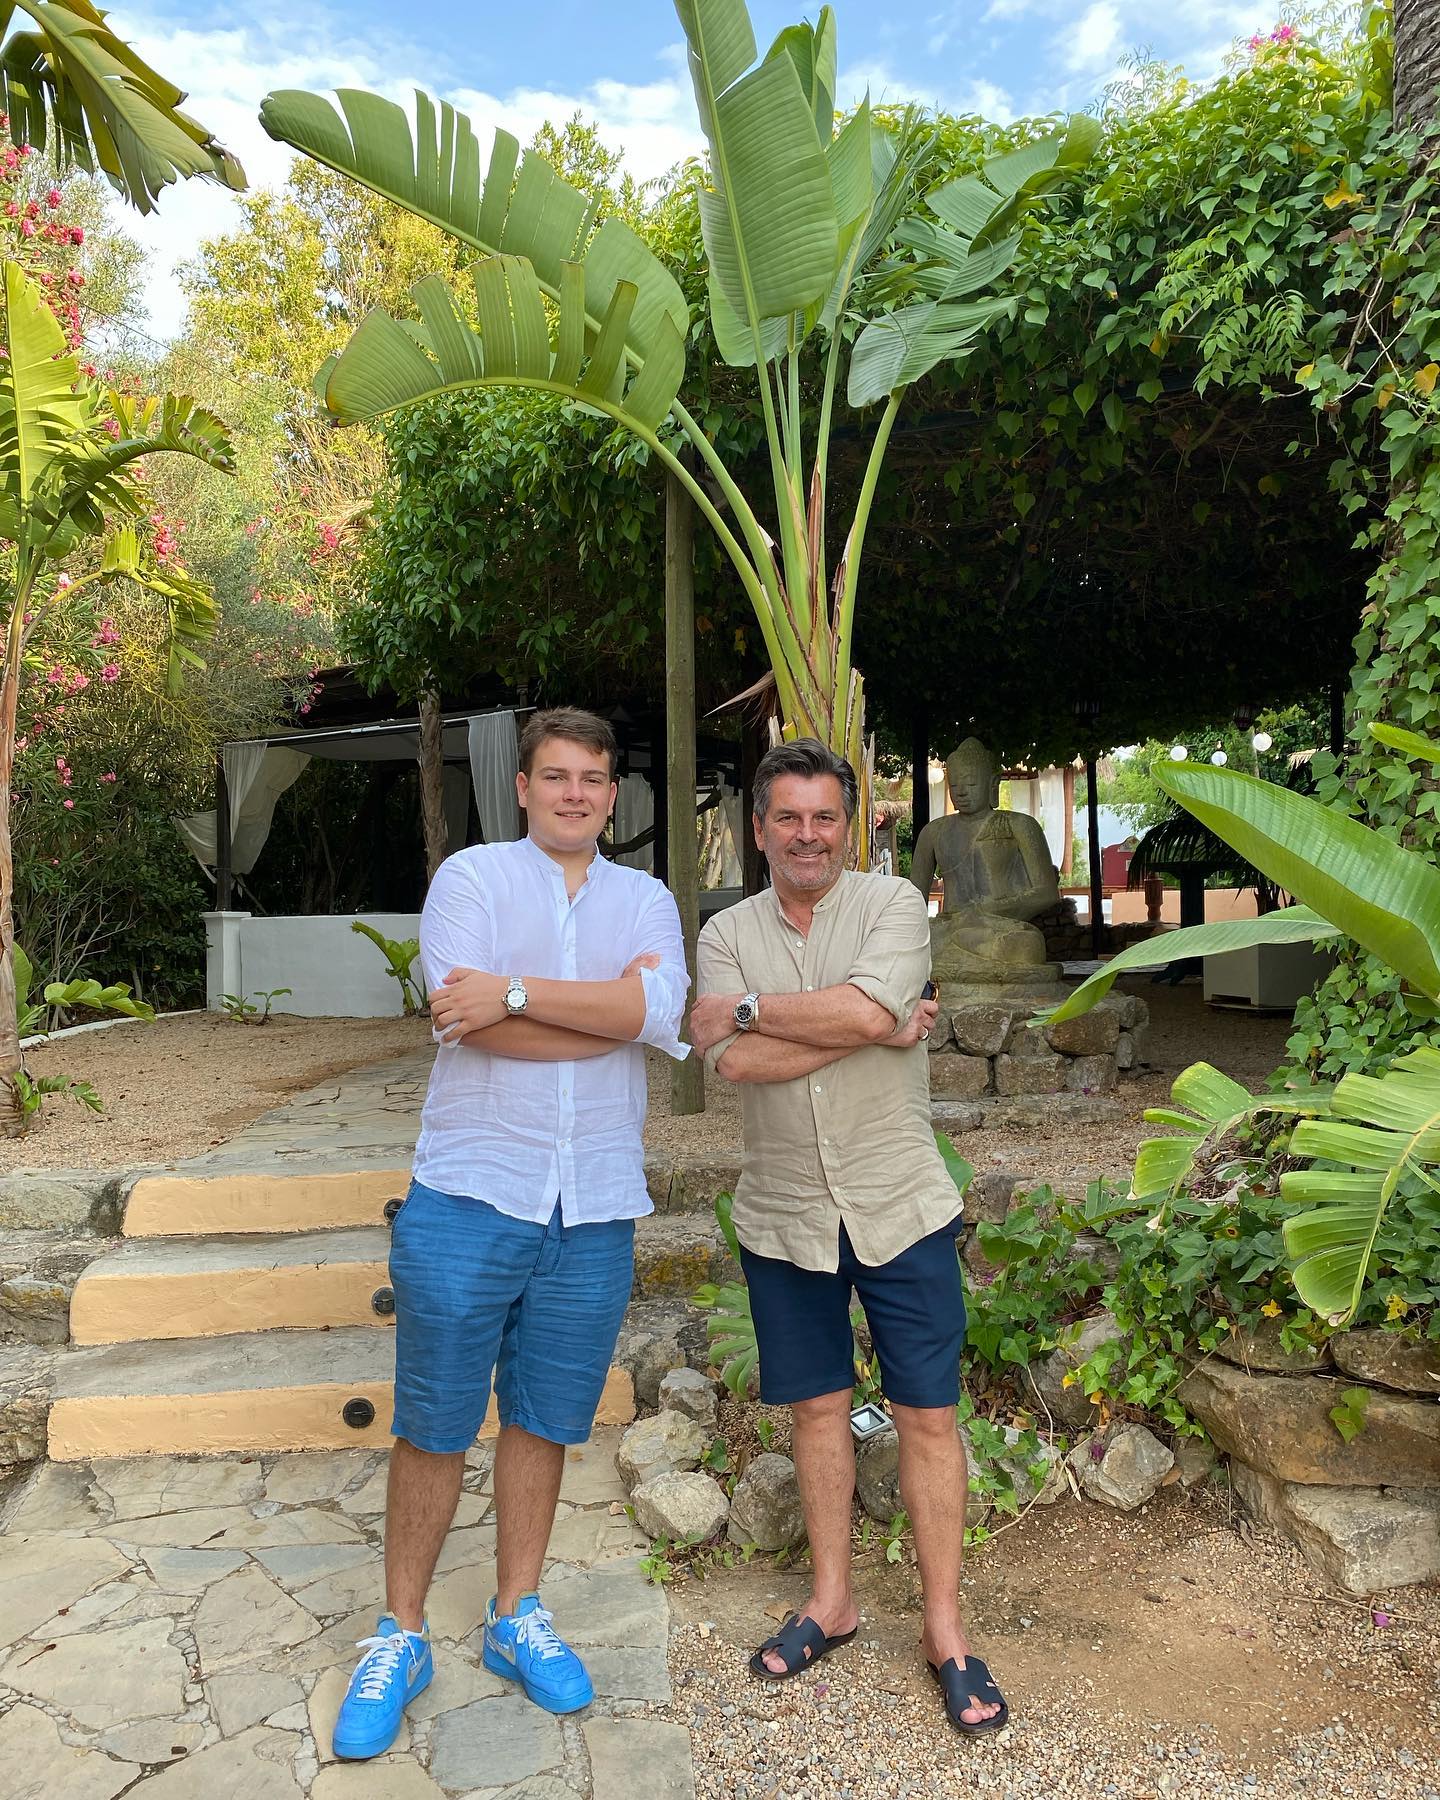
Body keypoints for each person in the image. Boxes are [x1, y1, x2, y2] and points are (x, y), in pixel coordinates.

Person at [332, 706, 689, 1761]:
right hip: (471, 1193)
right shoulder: (475, 881)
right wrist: (602, 1009)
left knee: (545, 1417)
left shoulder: (647, 897)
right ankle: (400, 1635)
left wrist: (523, 995)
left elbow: (657, 1019)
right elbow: (464, 1018)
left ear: (612, 795)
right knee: (436, 1418)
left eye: (594, 778)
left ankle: (514, 1616)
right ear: (524, 787)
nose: (576, 793)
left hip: (594, 1207)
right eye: (557, 776)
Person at [690, 737, 1007, 1736]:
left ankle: (947, 1629)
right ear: (759, 829)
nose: (807, 834)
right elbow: (730, 1066)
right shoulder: (725, 931)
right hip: (786, 1211)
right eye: (787, 817)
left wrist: (764, 1015)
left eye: (824, 815)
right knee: (819, 1412)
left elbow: (857, 1011)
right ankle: (833, 1600)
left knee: (926, 1415)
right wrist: (860, 1022)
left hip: (898, 1202)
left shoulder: (891, 906)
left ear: (852, 821)